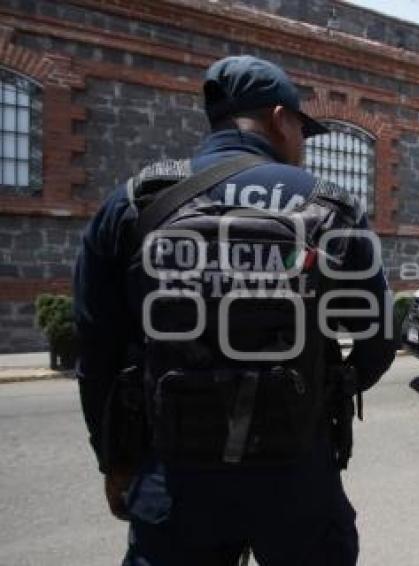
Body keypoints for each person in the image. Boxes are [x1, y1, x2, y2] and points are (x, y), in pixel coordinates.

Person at [74, 55, 396, 565]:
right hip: (296, 478)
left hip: (174, 480)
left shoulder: (133, 202)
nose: (302, 147)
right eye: (301, 130)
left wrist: (115, 463)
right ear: (277, 118)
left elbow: (96, 353)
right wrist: (332, 386)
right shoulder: (332, 206)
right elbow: (378, 340)